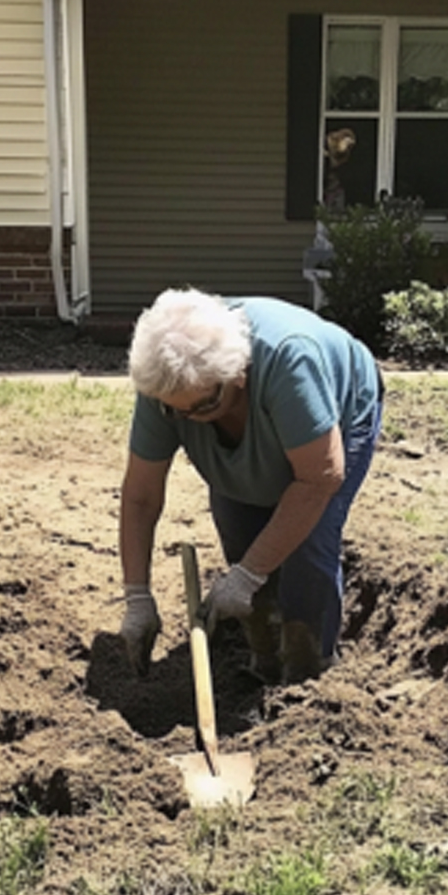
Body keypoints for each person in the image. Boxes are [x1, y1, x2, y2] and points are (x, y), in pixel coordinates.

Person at [118, 288, 383, 684]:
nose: (189, 420)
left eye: (203, 407)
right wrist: (137, 597)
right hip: (252, 416)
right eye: (177, 411)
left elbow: (319, 477)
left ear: (239, 373)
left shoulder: (289, 359)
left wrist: (248, 575)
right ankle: (264, 659)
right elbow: (141, 496)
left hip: (337, 414)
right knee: (241, 532)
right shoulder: (167, 387)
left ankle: (307, 673)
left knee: (307, 549)